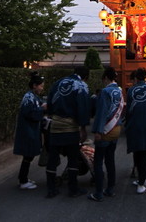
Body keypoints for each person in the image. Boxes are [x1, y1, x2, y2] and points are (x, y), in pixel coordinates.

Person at [45, 66, 91, 198]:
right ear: (86, 77)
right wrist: (83, 128)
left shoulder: (57, 83)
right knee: (72, 158)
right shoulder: (81, 86)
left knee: (52, 158)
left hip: (55, 125)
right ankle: (73, 188)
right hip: (71, 127)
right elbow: (83, 108)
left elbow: (49, 102)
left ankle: (51, 188)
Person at [88, 67, 124, 202]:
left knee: (98, 162)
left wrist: (97, 130)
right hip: (116, 128)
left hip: (105, 129)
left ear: (106, 78)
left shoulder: (105, 91)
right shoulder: (119, 91)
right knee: (110, 160)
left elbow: (101, 112)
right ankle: (110, 189)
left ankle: (98, 192)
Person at [125, 67, 146, 195]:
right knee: (144, 153)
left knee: (138, 152)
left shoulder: (131, 90)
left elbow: (128, 110)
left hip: (134, 124)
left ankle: (141, 180)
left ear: (135, 78)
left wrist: (127, 123)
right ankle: (141, 182)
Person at [13, 72, 47, 189]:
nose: (42, 88)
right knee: (28, 155)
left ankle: (23, 178)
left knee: (29, 156)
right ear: (34, 85)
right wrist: (41, 109)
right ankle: (23, 181)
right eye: (41, 86)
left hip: (31, 129)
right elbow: (29, 113)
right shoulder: (28, 97)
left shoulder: (32, 96)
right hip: (27, 130)